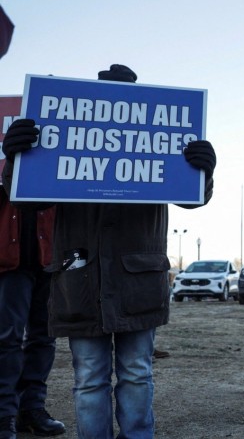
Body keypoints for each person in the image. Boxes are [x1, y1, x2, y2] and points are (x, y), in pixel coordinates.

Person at [2, 64, 217, 439]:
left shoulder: (162, 138)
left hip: (138, 283)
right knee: (88, 376)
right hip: (80, 282)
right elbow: (27, 199)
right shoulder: (64, 142)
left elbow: (193, 198)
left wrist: (203, 171)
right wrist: (15, 161)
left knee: (137, 372)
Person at [0, 156, 64, 437]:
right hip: (8, 257)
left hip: (48, 254)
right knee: (7, 338)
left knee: (44, 337)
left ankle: (32, 408)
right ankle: (4, 414)